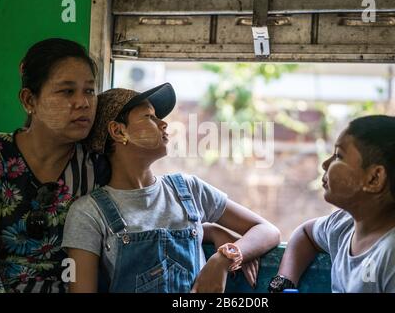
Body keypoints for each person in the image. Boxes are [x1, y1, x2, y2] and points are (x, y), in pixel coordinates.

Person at [62, 84, 281, 293]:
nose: (163, 123)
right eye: (149, 117)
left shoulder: (188, 189)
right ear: (118, 132)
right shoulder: (88, 213)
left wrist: (224, 258)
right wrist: (213, 232)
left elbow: (268, 231)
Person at [270, 115, 395, 293]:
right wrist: (283, 282)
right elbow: (305, 234)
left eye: (339, 156)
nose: (325, 164)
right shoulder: (345, 224)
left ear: (374, 178)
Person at [0, 38, 107, 293]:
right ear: (29, 101)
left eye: (89, 90)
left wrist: (216, 245)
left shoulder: (99, 168)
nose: (84, 103)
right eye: (67, 91)